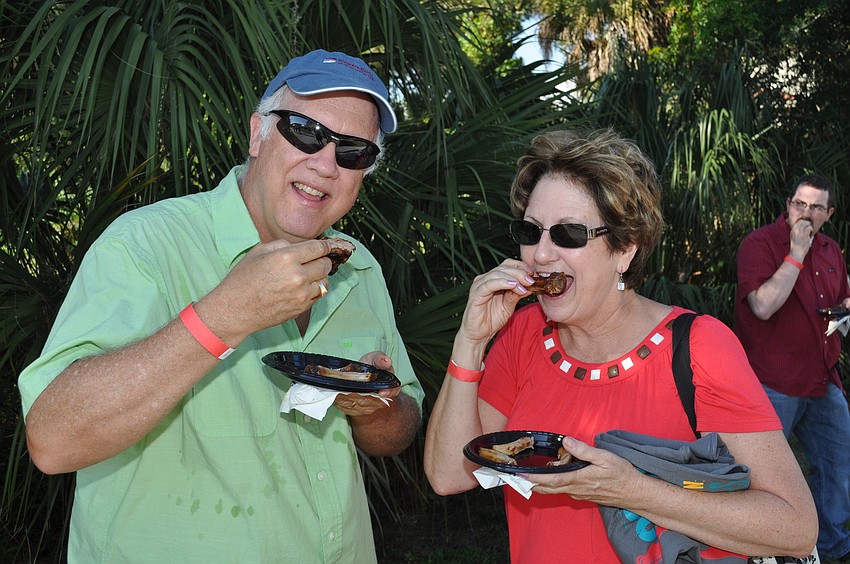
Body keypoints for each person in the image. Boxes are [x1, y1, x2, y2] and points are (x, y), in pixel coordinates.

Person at [18, 49, 424, 563]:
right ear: (258, 134)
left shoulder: (360, 268)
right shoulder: (145, 245)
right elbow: (53, 441)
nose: (325, 163)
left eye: (353, 151)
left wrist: (372, 405)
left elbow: (398, 430)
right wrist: (223, 316)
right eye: (304, 130)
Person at [423, 128, 818, 563]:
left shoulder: (699, 346)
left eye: (569, 234)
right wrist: (471, 339)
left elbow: (795, 528)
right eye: (530, 231)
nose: (540, 254)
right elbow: (447, 475)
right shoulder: (522, 335)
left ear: (625, 249)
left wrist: (632, 491)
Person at [734, 173, 850, 562]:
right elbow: (763, 306)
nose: (807, 212)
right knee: (763, 476)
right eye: (800, 203)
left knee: (838, 467)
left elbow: (841, 298)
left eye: (817, 206)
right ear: (788, 204)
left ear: (828, 214)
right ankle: (760, 548)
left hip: (823, 377)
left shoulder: (833, 249)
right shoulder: (760, 244)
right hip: (774, 381)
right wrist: (796, 254)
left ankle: (829, 549)